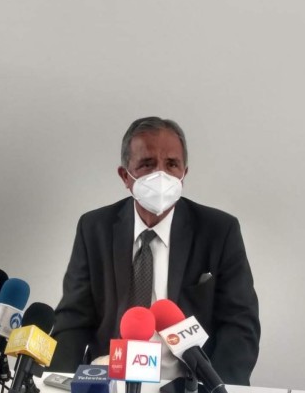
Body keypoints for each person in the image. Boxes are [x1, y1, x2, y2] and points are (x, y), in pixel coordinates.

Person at [49, 116, 260, 386]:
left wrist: (217, 388)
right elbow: (73, 321)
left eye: (172, 164)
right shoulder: (94, 228)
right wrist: (56, 383)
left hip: (187, 385)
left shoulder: (219, 231)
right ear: (125, 176)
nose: (161, 175)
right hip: (109, 379)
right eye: (147, 164)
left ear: (184, 174)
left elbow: (240, 324)